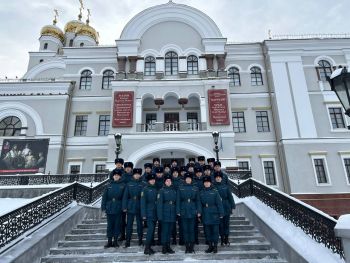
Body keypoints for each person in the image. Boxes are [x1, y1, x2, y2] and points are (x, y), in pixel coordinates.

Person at [199, 176, 224, 254]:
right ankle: (210, 246)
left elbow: (219, 203)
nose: (206, 183)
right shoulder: (201, 192)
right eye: (205, 182)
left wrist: (221, 213)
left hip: (214, 214)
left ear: (210, 183)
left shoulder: (215, 192)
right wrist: (199, 213)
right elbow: (199, 204)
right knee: (207, 231)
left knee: (215, 231)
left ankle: (215, 246)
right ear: (204, 183)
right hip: (205, 214)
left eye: (208, 182)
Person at [176, 172, 201, 253]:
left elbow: (198, 201)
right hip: (183, 211)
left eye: (189, 178)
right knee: (185, 230)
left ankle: (192, 246)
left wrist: (199, 211)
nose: (188, 180)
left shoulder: (195, 188)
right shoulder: (180, 188)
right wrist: (178, 211)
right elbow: (178, 200)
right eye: (187, 178)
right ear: (185, 179)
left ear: (191, 179)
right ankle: (187, 246)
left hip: (193, 211)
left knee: (192, 230)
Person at [101, 169, 126, 248]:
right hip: (109, 208)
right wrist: (103, 207)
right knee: (110, 226)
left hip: (118, 208)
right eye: (115, 175)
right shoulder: (108, 185)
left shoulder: (123, 185)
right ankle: (109, 241)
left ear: (120, 177)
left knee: (117, 225)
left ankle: (115, 241)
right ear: (113, 176)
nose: (116, 176)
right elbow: (104, 197)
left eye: (118, 176)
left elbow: (124, 198)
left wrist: (123, 207)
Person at [122, 168, 144, 248]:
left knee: (140, 225)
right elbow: (125, 196)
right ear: (133, 175)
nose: (137, 175)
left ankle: (140, 240)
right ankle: (127, 241)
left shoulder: (143, 184)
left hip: (139, 206)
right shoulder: (129, 184)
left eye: (138, 174)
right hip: (130, 206)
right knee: (129, 225)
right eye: (135, 174)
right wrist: (124, 206)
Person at [213, 171, 236, 246]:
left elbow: (230, 196)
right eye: (217, 178)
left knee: (226, 223)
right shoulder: (213, 187)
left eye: (219, 178)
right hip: (218, 208)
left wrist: (232, 205)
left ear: (222, 178)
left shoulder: (226, 187)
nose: (218, 179)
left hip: (226, 206)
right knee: (220, 224)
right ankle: (222, 239)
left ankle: (226, 238)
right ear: (215, 179)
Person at [157, 174, 177, 254]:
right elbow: (159, 204)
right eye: (167, 181)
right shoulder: (161, 191)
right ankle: (164, 247)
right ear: (165, 182)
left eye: (170, 181)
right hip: (164, 214)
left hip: (172, 214)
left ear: (171, 182)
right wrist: (160, 216)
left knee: (169, 231)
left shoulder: (174, 190)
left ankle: (168, 246)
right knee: (165, 231)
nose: (168, 182)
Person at [141, 173, 158, 255]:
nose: (152, 181)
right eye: (151, 180)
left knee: (152, 230)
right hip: (148, 213)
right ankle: (146, 248)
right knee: (150, 230)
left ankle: (149, 247)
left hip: (155, 213)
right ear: (148, 181)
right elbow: (143, 203)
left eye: (153, 179)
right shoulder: (145, 189)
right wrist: (143, 214)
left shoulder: (156, 188)